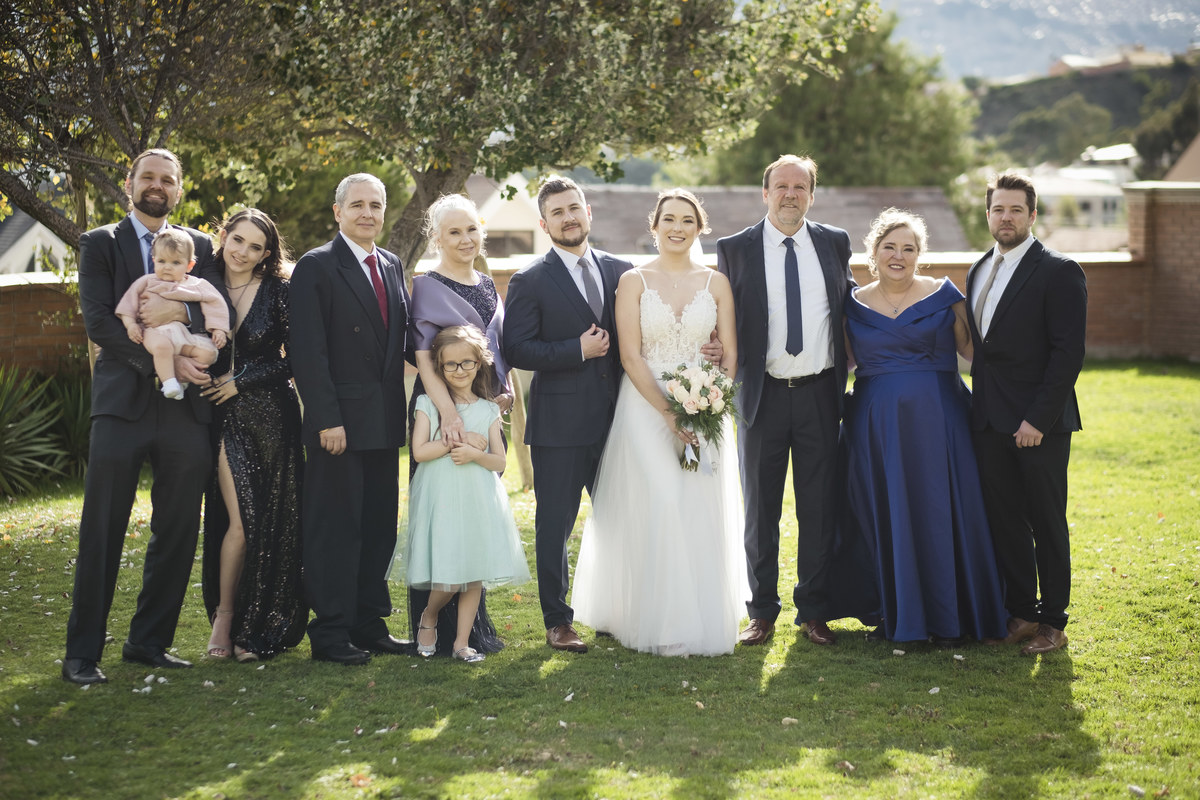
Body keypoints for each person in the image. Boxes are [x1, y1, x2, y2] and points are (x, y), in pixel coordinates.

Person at [63, 148, 227, 685]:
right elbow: (100, 322)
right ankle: (82, 654)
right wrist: (164, 366)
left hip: (187, 413)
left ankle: (149, 642)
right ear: (130, 183)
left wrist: (180, 312)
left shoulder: (201, 246)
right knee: (103, 526)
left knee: (177, 528)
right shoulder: (99, 243)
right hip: (122, 406)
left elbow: (218, 307)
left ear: (179, 189)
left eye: (167, 179)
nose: (157, 186)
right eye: (148, 177)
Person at [573, 189, 745, 656]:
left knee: (696, 508)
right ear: (654, 226)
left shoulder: (716, 283)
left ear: (699, 228)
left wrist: (709, 403)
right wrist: (670, 413)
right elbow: (630, 356)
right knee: (662, 501)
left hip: (703, 410)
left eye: (687, 220)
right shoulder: (633, 282)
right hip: (646, 406)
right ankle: (654, 618)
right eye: (669, 218)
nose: (677, 227)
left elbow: (730, 355)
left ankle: (697, 617)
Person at [837, 208, 1008, 644]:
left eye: (908, 248)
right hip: (877, 426)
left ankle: (952, 616)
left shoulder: (946, 296)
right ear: (874, 252)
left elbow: (976, 354)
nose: (899, 256)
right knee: (888, 510)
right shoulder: (851, 304)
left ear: (920, 254)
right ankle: (897, 612)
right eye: (890, 247)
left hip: (940, 421)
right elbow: (840, 361)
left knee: (940, 509)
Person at [717, 154, 855, 647]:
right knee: (761, 511)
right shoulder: (735, 248)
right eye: (781, 186)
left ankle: (813, 610)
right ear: (765, 193)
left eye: (800, 187)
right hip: (762, 397)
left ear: (811, 195)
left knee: (818, 508)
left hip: (820, 395)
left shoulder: (835, 242)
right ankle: (761, 612)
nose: (790, 194)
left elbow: (848, 304)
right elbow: (721, 314)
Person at [502, 176, 634, 654]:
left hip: (620, 421)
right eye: (557, 212)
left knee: (622, 520)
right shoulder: (530, 280)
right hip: (559, 426)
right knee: (554, 525)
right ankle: (558, 621)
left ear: (588, 212)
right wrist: (576, 349)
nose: (568, 218)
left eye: (573, 208)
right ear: (544, 224)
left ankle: (618, 611)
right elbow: (516, 348)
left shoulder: (623, 272)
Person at [288, 173, 415, 666]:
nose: (367, 213)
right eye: (357, 204)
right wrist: (326, 419)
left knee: (378, 526)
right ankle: (331, 631)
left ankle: (369, 623)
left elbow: (401, 341)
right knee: (336, 529)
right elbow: (308, 351)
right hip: (337, 425)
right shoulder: (316, 266)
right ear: (337, 211)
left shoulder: (391, 264)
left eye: (375, 205)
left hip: (382, 420)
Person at [967, 173, 1087, 656]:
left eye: (1016, 210)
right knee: (1006, 520)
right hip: (989, 422)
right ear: (988, 215)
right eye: (999, 209)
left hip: (1040, 424)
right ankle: (1022, 613)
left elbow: (1068, 354)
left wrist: (1037, 419)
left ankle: (1053, 622)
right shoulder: (979, 268)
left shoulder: (1059, 271)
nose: (1006, 218)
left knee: (1046, 521)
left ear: (1032, 216)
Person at [406, 194, 513, 655]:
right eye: (454, 231)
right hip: (439, 406)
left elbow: (495, 348)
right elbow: (424, 359)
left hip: (481, 402)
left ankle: (468, 635)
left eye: (471, 229)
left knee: (474, 520)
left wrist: (506, 391)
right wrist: (447, 412)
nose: (465, 239)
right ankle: (429, 621)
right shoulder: (426, 286)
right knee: (443, 522)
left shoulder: (487, 284)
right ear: (437, 237)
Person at [198, 208, 306, 662]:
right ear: (223, 236)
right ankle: (225, 616)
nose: (243, 252)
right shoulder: (199, 282)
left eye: (255, 247)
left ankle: (258, 628)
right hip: (224, 420)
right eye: (237, 240)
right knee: (240, 521)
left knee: (274, 521)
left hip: (274, 417)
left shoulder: (280, 290)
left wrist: (242, 380)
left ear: (266, 254)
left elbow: (296, 359)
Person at [396, 326, 530, 663]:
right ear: (439, 367)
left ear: (479, 363)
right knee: (449, 579)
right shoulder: (428, 404)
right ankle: (429, 615)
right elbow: (420, 451)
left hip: (477, 498)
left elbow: (499, 460)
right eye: (451, 365)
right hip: (442, 497)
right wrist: (460, 440)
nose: (459, 371)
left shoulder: (488, 410)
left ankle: (461, 643)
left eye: (466, 363)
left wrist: (474, 454)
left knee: (473, 577)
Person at [116, 229, 229, 400]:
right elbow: (127, 304)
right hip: (154, 332)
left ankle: (183, 379)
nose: (167, 267)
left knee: (209, 353)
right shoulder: (146, 282)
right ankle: (169, 383)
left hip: (182, 336)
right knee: (163, 347)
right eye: (161, 261)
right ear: (154, 260)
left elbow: (215, 304)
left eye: (176, 262)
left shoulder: (196, 285)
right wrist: (131, 324)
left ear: (189, 266)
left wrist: (219, 329)